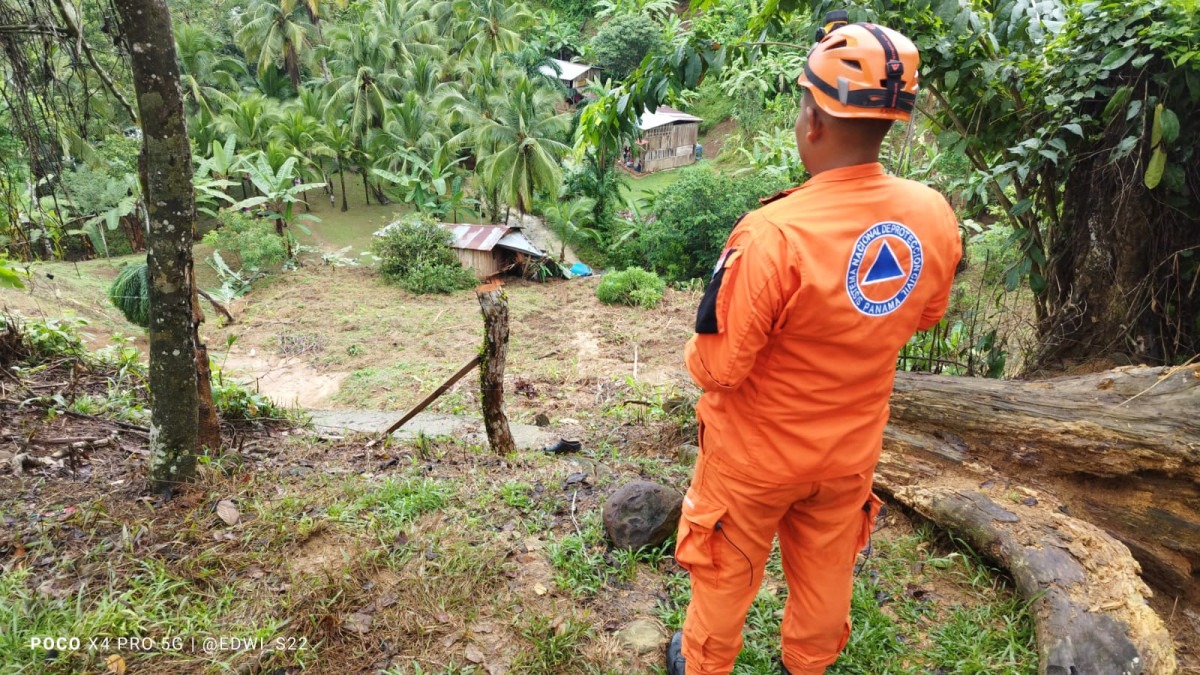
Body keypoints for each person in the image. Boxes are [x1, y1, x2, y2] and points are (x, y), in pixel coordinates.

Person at [667, 15, 962, 675]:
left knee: (723, 573)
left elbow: (720, 367)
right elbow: (924, 315)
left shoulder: (773, 232)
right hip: (848, 455)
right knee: (827, 573)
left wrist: (691, 352)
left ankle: (703, 664)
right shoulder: (932, 215)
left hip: (753, 460)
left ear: (813, 120)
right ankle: (807, 664)